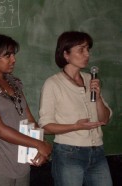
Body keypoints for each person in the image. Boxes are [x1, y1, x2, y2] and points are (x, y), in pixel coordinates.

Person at [0, 33, 52, 186]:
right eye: (7, 55)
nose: (14, 59)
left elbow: (29, 120)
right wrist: (38, 144)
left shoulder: (14, 83)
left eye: (13, 54)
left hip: (21, 162)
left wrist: (41, 144)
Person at [38, 31, 113, 186]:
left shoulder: (91, 79)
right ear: (66, 54)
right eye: (81, 50)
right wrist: (75, 126)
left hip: (97, 151)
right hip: (69, 154)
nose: (87, 54)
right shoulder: (53, 84)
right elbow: (45, 126)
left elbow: (104, 119)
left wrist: (98, 96)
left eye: (88, 50)